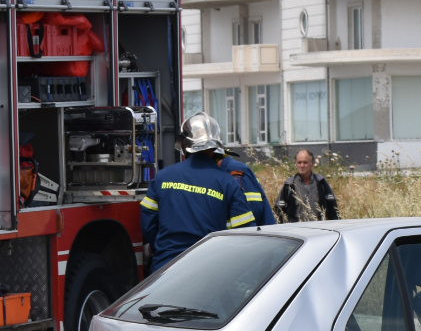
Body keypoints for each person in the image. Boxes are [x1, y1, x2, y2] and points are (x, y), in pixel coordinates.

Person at [139, 113, 254, 271]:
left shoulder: (162, 177)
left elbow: (149, 223)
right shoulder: (228, 183)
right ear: (215, 148)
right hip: (208, 272)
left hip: (165, 270)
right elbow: (244, 233)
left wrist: (161, 245)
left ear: (184, 145)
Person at [275, 149, 341, 222]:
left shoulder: (321, 182)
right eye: (299, 162)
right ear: (296, 164)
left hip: (319, 229)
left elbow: (333, 208)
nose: (302, 165)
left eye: (305, 162)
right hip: (296, 230)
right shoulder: (289, 184)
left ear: (312, 163)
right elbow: (278, 210)